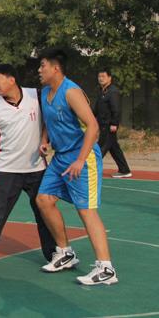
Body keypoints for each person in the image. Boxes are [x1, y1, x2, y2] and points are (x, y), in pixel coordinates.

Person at [36, 49, 117, 285]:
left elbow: (93, 126)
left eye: (42, 66)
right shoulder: (45, 92)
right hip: (61, 157)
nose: (39, 70)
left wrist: (80, 160)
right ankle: (65, 253)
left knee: (86, 210)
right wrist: (44, 140)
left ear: (55, 68)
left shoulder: (71, 91)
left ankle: (106, 268)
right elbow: (48, 120)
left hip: (83, 157)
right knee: (43, 199)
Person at [0, 64, 56, 272]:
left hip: (36, 169)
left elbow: (51, 120)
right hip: (8, 170)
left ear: (12, 80)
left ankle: (54, 254)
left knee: (44, 214)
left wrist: (47, 140)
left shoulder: (36, 96)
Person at [93, 68, 131, 178]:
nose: (101, 79)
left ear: (109, 78)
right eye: (99, 76)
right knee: (114, 149)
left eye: (103, 76)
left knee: (100, 148)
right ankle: (124, 170)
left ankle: (90, 170)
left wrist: (114, 123)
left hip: (109, 126)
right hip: (103, 125)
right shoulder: (101, 91)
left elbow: (116, 109)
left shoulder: (113, 91)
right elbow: (96, 108)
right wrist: (90, 118)